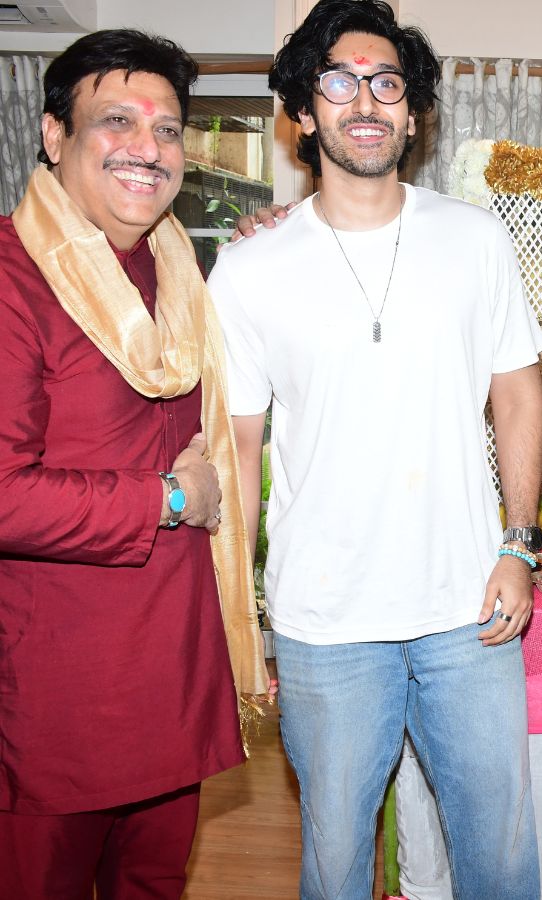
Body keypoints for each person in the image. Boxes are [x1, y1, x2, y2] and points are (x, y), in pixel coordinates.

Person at [207, 2, 542, 898]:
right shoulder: (249, 268)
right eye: (340, 81)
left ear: (414, 113)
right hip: (325, 625)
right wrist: (240, 615)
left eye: (387, 82)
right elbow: (239, 446)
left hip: (469, 611)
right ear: (302, 111)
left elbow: (518, 394)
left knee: (502, 858)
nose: (366, 100)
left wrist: (519, 545)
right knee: (335, 862)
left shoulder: (476, 240)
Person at [0, 29, 268, 899]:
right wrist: (166, 500)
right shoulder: (12, 275)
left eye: (167, 129)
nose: (147, 148)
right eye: (117, 121)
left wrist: (270, 236)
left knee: (153, 885)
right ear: (54, 136)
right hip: (56, 691)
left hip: (172, 670)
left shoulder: (181, 270)